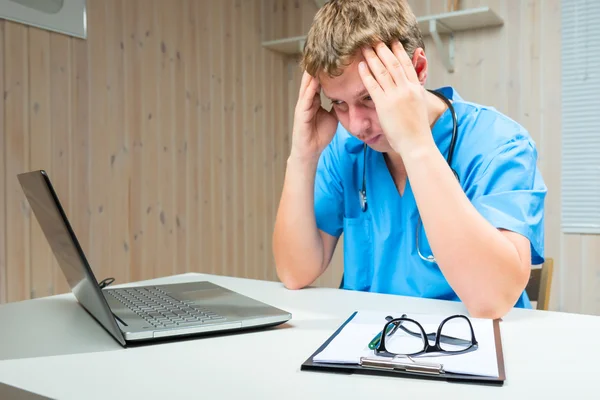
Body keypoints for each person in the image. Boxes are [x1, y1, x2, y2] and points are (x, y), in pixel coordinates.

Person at [272, 0, 546, 319]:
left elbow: (493, 300)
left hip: (471, 344)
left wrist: (415, 144)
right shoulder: (345, 150)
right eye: (339, 104)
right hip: (371, 344)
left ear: (417, 70)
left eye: (369, 98)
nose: (357, 124)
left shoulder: (499, 144)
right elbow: (295, 272)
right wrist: (302, 156)